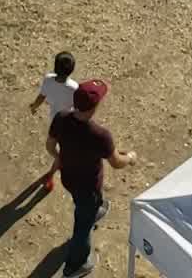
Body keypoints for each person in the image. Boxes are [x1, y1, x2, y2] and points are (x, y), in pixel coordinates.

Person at [48, 78, 136, 278]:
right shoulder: (100, 135)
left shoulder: (61, 118)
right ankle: (75, 266)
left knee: (85, 205)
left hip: (68, 178)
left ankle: (94, 211)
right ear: (95, 106)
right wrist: (130, 157)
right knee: (82, 227)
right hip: (88, 187)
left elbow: (50, 145)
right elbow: (116, 162)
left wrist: (60, 158)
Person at [31, 49, 78, 191]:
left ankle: (55, 168)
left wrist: (34, 106)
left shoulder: (48, 79)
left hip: (55, 122)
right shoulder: (74, 88)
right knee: (60, 149)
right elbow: (78, 107)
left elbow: (41, 97)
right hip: (69, 123)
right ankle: (62, 159)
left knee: (51, 147)